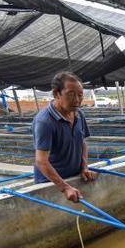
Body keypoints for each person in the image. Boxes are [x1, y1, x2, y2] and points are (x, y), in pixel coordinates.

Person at [33, 72, 96, 202]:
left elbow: (82, 142)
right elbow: (41, 161)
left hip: (73, 176)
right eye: (71, 94)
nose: (77, 100)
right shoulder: (45, 121)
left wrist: (84, 167)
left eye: (80, 95)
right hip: (52, 183)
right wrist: (65, 188)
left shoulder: (79, 114)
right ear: (56, 94)